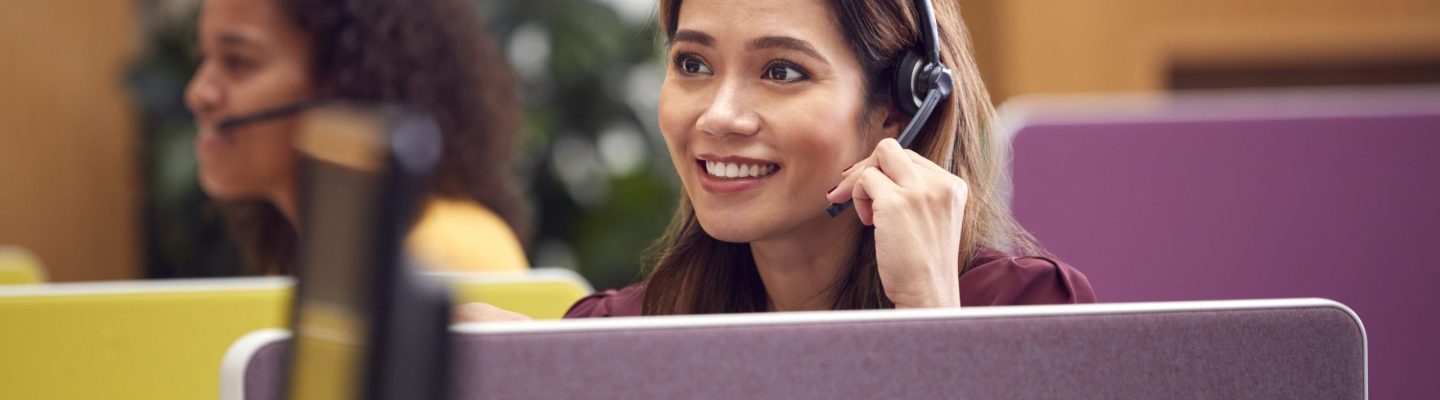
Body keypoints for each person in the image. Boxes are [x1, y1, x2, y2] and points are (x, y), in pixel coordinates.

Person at [455, 0, 1093, 323]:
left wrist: (927, 314)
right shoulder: (628, 333)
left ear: (899, 108)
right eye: (693, 64)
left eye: (781, 71)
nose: (719, 116)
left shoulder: (1023, 309)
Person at [185, 0, 530, 275]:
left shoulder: (442, 258)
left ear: (346, 83)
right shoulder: (315, 261)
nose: (197, 93)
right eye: (203, 58)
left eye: (238, 62)